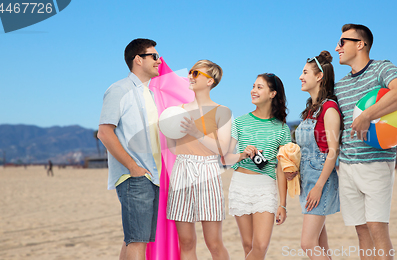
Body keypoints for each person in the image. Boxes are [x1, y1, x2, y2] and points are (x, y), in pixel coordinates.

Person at [334, 24, 397, 260]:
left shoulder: (381, 68)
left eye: (342, 42)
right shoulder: (341, 85)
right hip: (346, 166)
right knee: (362, 232)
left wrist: (367, 115)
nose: (337, 47)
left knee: (378, 229)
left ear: (360, 44)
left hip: (376, 162)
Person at [98, 38, 162, 260]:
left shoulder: (152, 95)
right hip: (135, 177)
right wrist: (133, 167)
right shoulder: (118, 90)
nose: (158, 60)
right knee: (137, 242)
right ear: (138, 59)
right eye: (153, 56)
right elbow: (105, 133)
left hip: (152, 176)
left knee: (134, 240)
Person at [165, 60, 231, 260]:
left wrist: (195, 131)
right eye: (191, 72)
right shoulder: (178, 110)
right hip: (182, 168)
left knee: (214, 243)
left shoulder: (223, 111)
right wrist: (167, 128)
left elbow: (223, 148)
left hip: (208, 171)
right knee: (186, 242)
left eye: (196, 73)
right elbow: (174, 149)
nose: (190, 76)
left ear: (210, 81)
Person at [224, 73, 291, 260]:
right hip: (240, 185)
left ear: (272, 94)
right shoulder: (239, 122)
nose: (253, 90)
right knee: (248, 247)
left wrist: (283, 204)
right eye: (253, 86)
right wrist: (242, 154)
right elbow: (226, 158)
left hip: (265, 188)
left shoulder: (282, 129)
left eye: (260, 87)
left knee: (260, 246)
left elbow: (281, 168)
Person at [288, 51, 341, 259]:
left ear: (319, 76)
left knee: (308, 244)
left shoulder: (329, 109)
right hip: (308, 181)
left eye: (305, 72)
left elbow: (333, 152)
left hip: (321, 182)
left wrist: (318, 187)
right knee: (320, 244)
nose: (301, 77)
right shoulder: (310, 110)